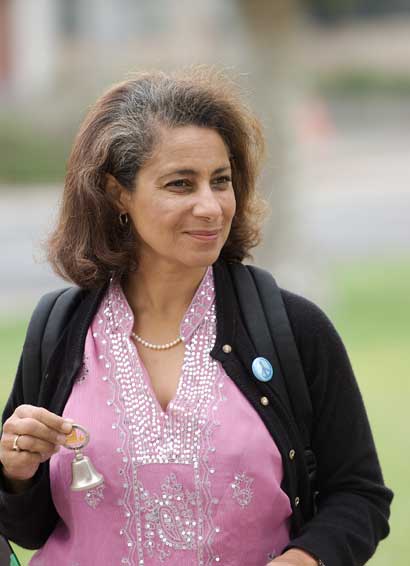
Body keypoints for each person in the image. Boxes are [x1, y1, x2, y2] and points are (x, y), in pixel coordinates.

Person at [0, 68, 392, 566]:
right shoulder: (58, 328)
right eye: (180, 184)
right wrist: (15, 473)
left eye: (220, 181)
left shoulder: (295, 327)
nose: (210, 206)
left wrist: (303, 560)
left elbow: (359, 496)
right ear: (118, 193)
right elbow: (27, 529)